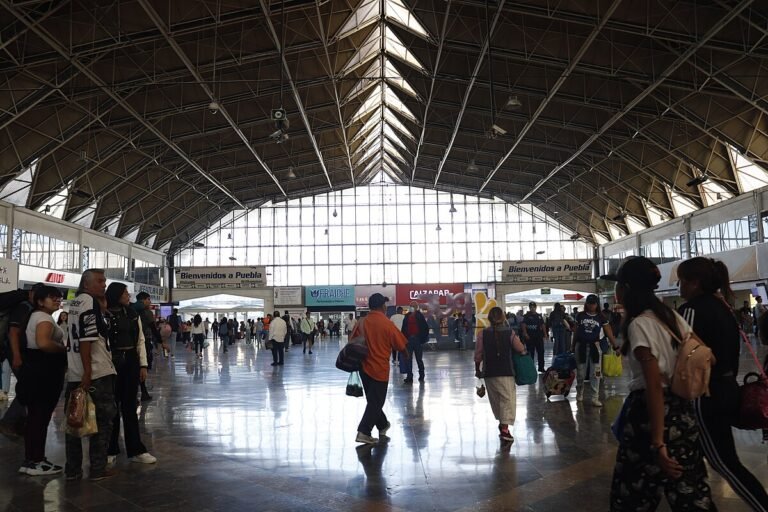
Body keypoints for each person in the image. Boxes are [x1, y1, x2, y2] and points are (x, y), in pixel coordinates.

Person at [607, 256, 715, 511]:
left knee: (631, 498)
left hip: (648, 418)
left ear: (626, 288)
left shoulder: (639, 325)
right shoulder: (672, 317)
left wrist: (658, 442)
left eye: (617, 284)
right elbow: (708, 355)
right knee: (692, 496)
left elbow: (653, 385)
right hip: (682, 415)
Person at [677, 257, 768, 511]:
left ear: (695, 283)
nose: (679, 286)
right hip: (727, 386)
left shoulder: (691, 310)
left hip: (706, 393)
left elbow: (685, 354)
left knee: (723, 462)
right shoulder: (724, 307)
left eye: (682, 281)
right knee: (691, 458)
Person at [65, 269, 118, 481]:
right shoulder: (88, 302)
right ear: (86, 284)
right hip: (96, 372)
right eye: (100, 281)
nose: (104, 284)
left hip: (74, 372)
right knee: (103, 421)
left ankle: (72, 469)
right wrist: (87, 372)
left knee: (74, 420)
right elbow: (87, 339)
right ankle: (98, 468)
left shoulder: (76, 302)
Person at [105, 283, 157, 467]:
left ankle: (136, 449)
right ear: (116, 295)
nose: (128, 296)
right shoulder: (104, 314)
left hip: (131, 362)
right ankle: (110, 449)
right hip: (110, 364)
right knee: (111, 408)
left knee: (129, 406)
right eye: (125, 293)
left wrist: (143, 365)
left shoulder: (133, 314)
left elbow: (140, 340)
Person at [17, 285, 67, 475]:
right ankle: (37, 461)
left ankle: (31, 460)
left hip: (34, 371)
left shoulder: (35, 316)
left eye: (58, 297)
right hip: (44, 372)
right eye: (52, 297)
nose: (57, 300)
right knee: (40, 417)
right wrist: (64, 350)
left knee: (34, 418)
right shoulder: (44, 318)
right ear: (40, 301)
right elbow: (44, 343)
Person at [353, 293, 408, 444]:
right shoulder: (386, 323)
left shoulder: (361, 322)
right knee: (376, 402)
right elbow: (401, 345)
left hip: (363, 368)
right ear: (382, 306)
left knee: (373, 400)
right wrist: (406, 355)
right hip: (379, 369)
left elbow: (352, 342)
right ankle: (364, 431)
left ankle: (383, 424)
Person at [474, 306, 526, 443]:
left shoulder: (482, 334)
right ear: (503, 318)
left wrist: (477, 370)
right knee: (507, 401)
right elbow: (520, 348)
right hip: (506, 372)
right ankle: (504, 429)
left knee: (496, 400)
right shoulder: (510, 333)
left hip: (489, 373)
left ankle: (502, 424)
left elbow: (478, 355)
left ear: (489, 318)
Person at [0, 284, 43, 437]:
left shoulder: (30, 307)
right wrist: (16, 355)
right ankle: (9, 421)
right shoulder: (24, 307)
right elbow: (13, 332)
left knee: (27, 386)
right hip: (15, 352)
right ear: (31, 293)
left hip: (19, 352)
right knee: (29, 386)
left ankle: (19, 423)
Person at [572, 294, 618, 407]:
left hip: (595, 347)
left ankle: (595, 397)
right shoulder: (580, 315)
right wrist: (572, 346)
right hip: (581, 346)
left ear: (597, 304)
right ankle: (580, 392)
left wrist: (615, 346)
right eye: (589, 303)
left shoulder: (601, 317)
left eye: (593, 304)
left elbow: (609, 332)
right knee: (581, 373)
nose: (591, 306)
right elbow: (576, 332)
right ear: (586, 304)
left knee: (596, 373)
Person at [132, 292, 157, 402]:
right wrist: (161, 341)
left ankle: (137, 394)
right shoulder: (146, 312)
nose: (150, 302)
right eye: (148, 299)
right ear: (143, 300)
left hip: (131, 343)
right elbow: (153, 328)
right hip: (143, 341)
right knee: (143, 367)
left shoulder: (130, 309)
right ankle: (142, 392)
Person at [401, 301, 429, 384]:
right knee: (408, 359)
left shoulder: (420, 316)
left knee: (419, 359)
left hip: (417, 339)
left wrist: (421, 338)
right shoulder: (407, 316)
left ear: (417, 307)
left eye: (413, 306)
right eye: (410, 306)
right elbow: (403, 328)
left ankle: (421, 375)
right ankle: (409, 376)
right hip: (409, 340)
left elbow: (425, 328)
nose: (412, 307)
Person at [521, 302, 546, 373]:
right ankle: (531, 368)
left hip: (538, 337)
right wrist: (525, 333)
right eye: (531, 307)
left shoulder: (539, 316)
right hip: (530, 338)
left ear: (535, 307)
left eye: (533, 307)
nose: (532, 308)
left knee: (541, 352)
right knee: (530, 353)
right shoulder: (526, 316)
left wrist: (545, 334)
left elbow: (543, 325)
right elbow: (523, 325)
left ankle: (541, 367)